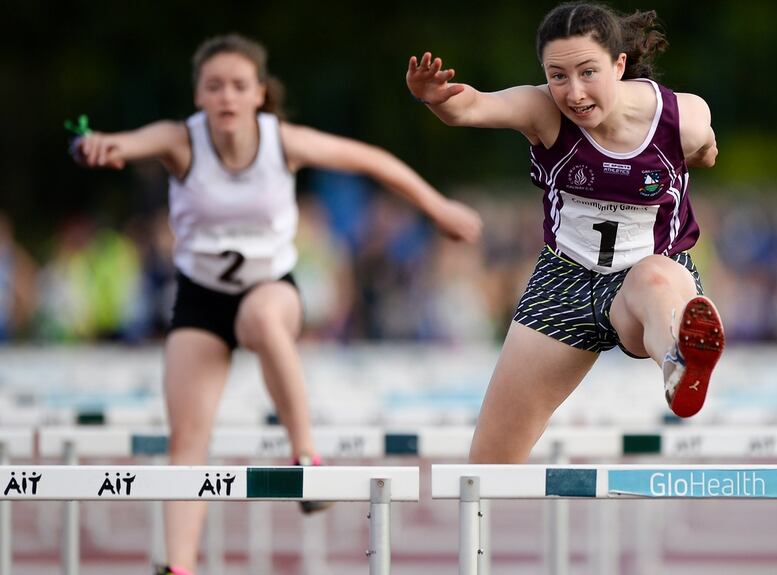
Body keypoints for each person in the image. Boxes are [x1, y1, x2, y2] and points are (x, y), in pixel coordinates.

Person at [72, 33, 482, 575]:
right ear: (199, 95)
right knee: (186, 441)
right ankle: (176, 566)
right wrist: (93, 146)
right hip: (200, 300)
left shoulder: (282, 142)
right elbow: (118, 143)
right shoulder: (179, 140)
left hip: (272, 289)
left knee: (263, 318)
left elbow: (373, 161)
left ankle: (306, 457)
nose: (226, 97)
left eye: (239, 86)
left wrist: (438, 207)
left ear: (259, 94)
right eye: (214, 86)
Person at [407, 1, 724, 464]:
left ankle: (680, 360)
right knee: (489, 466)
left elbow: (707, 152)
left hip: (643, 275)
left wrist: (696, 156)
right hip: (562, 282)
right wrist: (435, 97)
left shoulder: (682, 117)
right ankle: (478, 534)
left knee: (655, 280)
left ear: (619, 65)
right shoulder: (543, 111)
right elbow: (473, 106)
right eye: (558, 76)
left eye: (587, 73)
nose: (573, 93)